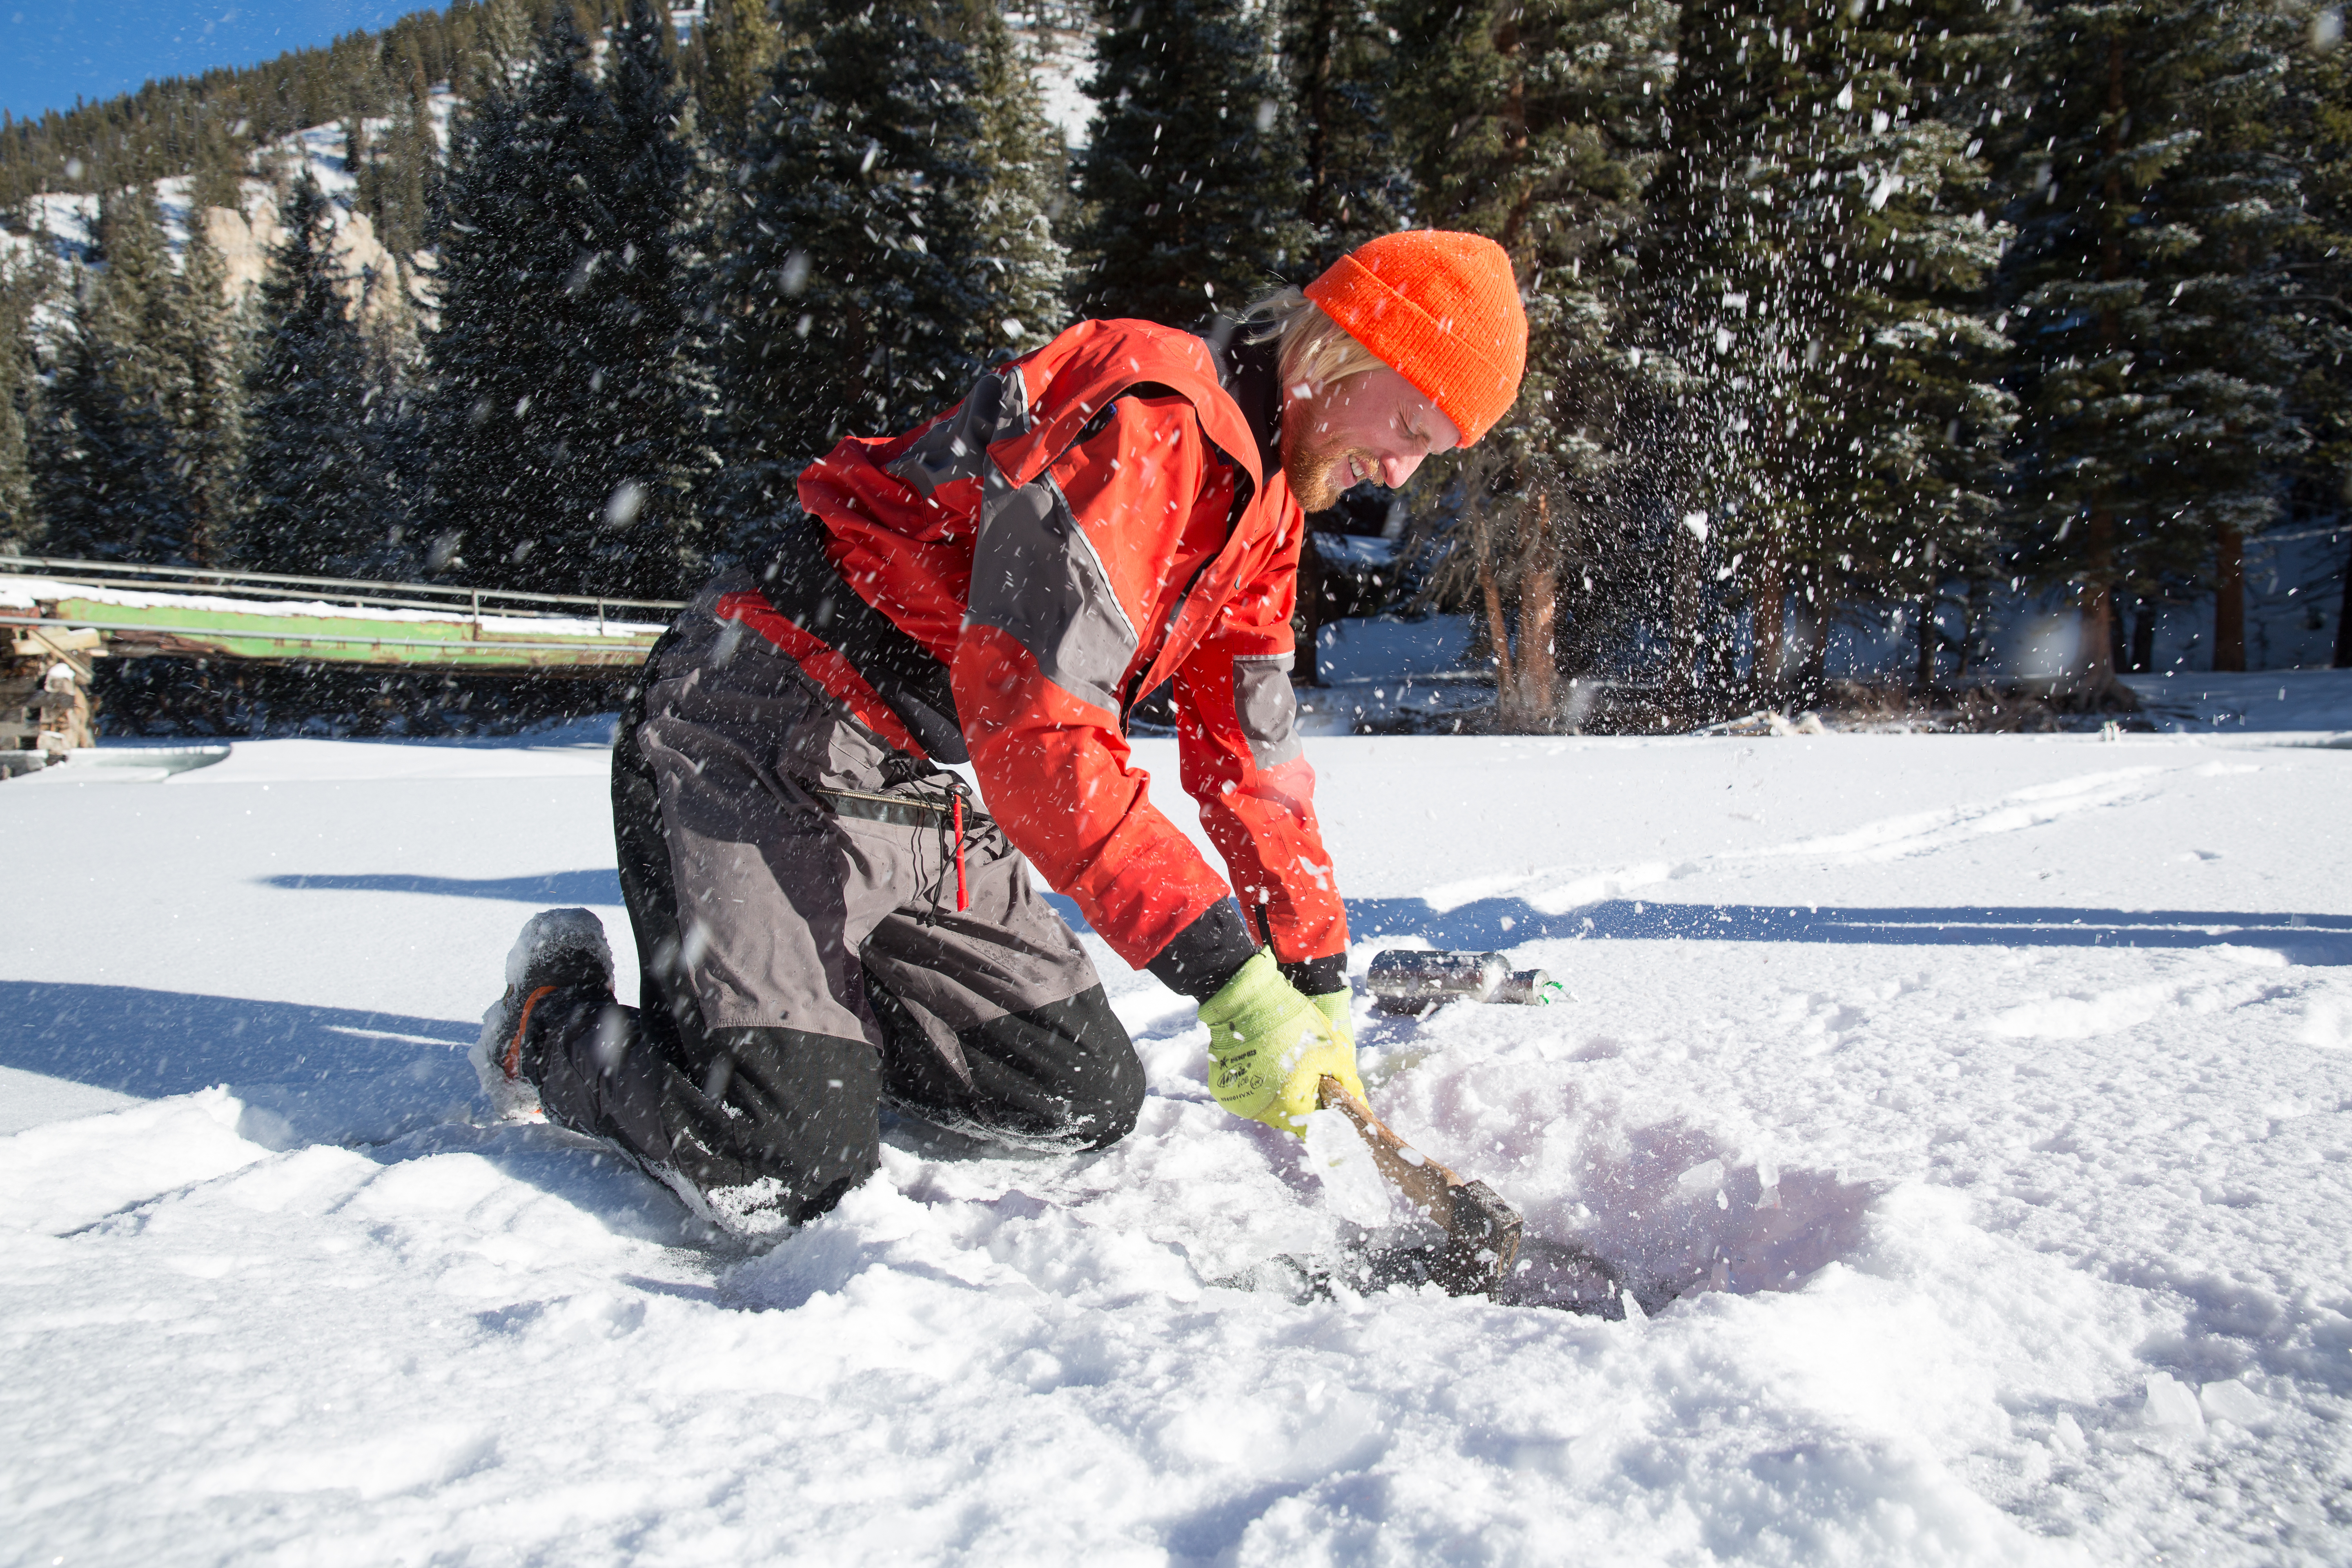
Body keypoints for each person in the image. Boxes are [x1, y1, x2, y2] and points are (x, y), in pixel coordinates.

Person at [472, 230, 1529, 1230]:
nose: (1399, 473)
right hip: (755, 717)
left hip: (905, 780)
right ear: (1354, 345)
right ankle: (553, 1027)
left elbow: (1253, 762)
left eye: (1429, 456)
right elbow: (1039, 736)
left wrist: (1314, 978)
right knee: (782, 1168)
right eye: (1411, 432)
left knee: (1070, 1095)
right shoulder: (1152, 416)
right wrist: (1226, 975)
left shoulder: (1265, 514)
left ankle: (803, 1036)